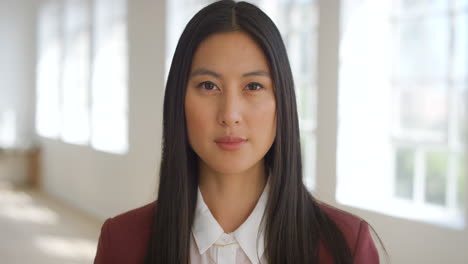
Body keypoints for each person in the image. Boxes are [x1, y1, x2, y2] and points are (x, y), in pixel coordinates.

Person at [94, 1, 381, 263]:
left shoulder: (347, 246)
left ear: (282, 102)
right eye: (208, 85)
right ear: (178, 100)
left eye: (253, 86)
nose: (230, 115)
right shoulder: (121, 242)